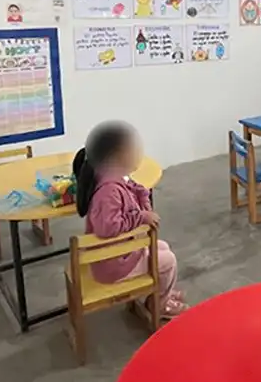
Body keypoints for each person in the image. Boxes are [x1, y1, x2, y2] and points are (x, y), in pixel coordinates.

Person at [74, 121, 187, 317]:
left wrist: (141, 195)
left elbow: (141, 209)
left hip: (119, 253)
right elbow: (108, 227)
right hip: (112, 265)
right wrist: (141, 217)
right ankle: (160, 304)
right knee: (168, 261)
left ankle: (160, 294)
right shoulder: (109, 191)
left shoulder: (113, 179)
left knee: (163, 247)